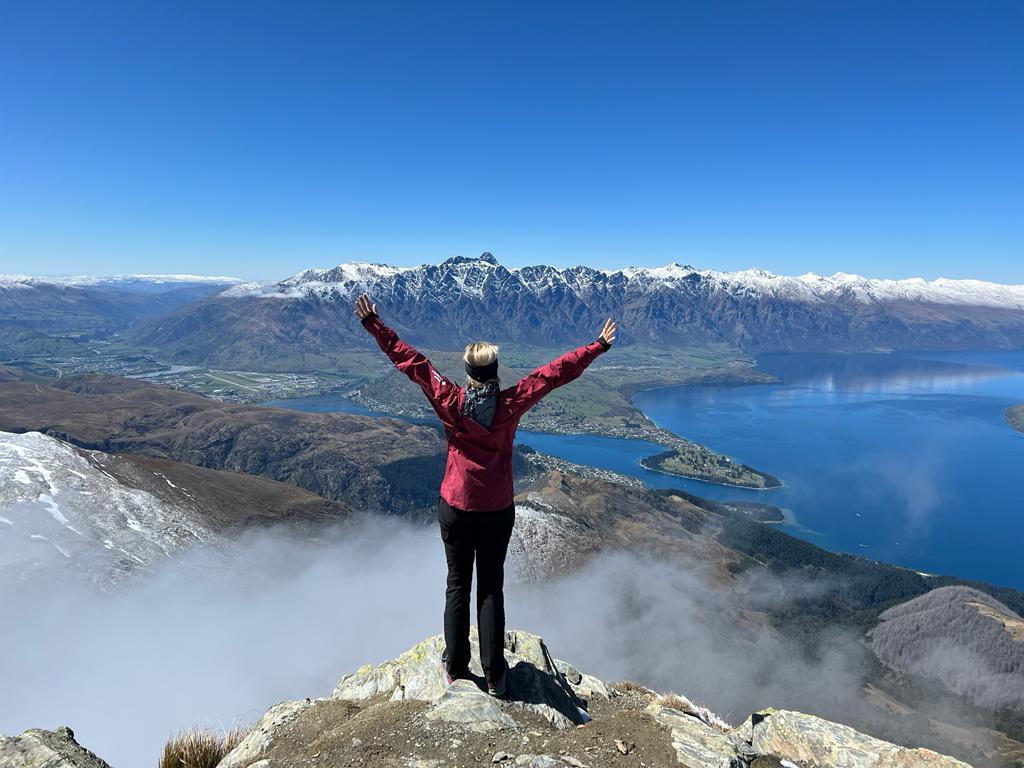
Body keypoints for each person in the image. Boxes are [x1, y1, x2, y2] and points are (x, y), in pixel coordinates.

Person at [354, 293, 616, 696]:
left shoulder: (449, 401)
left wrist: (375, 325)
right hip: (496, 509)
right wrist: (596, 347)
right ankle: (495, 674)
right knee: (491, 586)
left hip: (456, 507)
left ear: (467, 372)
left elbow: (413, 363)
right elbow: (553, 374)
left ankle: (456, 667)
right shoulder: (510, 404)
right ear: (495, 370)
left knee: (457, 583)